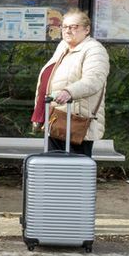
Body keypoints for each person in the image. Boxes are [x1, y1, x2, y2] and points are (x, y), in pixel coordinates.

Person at [33, 9, 110, 156]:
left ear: (86, 29)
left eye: (74, 27)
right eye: (65, 26)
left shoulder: (94, 50)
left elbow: (94, 80)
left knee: (75, 170)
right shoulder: (63, 46)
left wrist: (69, 91)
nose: (67, 31)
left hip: (76, 120)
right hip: (57, 118)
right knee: (55, 165)